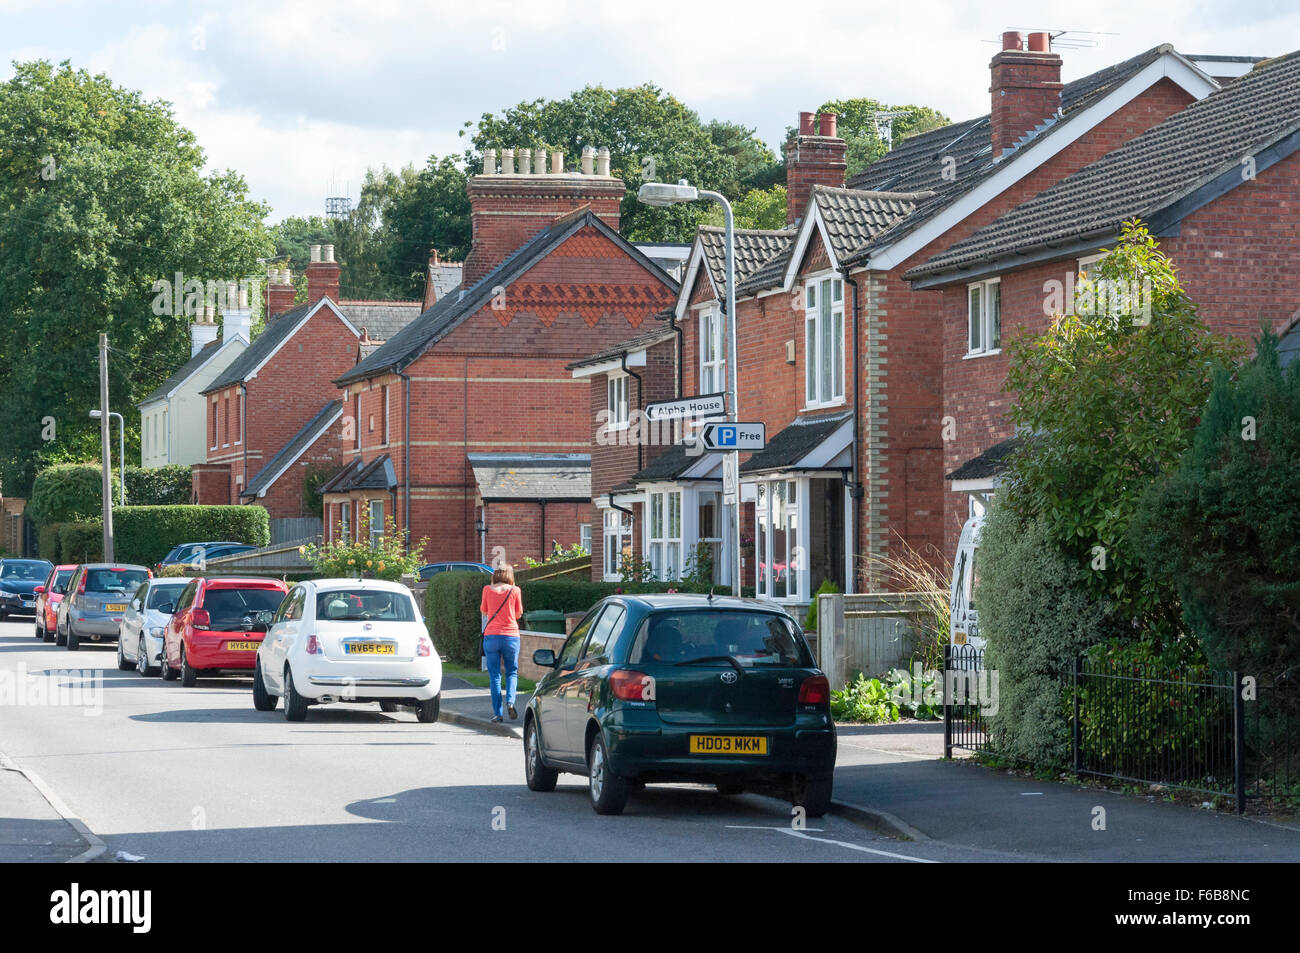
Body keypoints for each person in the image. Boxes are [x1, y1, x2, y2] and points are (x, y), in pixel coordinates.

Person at [480, 564, 523, 722]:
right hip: (511, 636)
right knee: (512, 672)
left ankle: (498, 714)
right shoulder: (515, 590)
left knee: (495, 676)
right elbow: (518, 613)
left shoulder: (487, 589)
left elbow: (484, 611)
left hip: (491, 636)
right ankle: (510, 702)